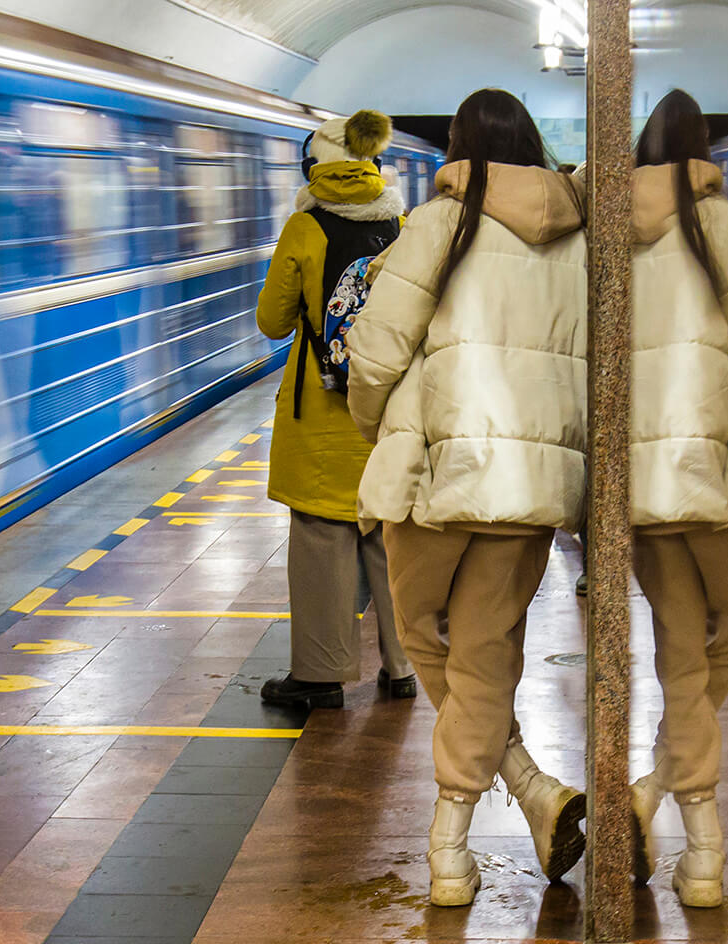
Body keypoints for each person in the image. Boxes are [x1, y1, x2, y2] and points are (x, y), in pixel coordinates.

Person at [346, 89, 588, 905]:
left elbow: (377, 350)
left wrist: (376, 422)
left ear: (457, 148)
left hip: (435, 471)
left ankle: (511, 794)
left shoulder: (437, 225)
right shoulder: (579, 242)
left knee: (420, 631)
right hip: (527, 487)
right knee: (486, 654)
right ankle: (466, 836)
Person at [599, 88, 728, 908]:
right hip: (727, 478)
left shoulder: (606, 239)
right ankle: (688, 835)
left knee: (680, 660)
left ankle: (689, 832)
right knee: (719, 654)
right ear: (706, 156)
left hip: (644, 487)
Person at [254, 109, 417, 709]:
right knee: (384, 531)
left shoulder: (306, 227)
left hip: (321, 412)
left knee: (323, 534)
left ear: (315, 166)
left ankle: (321, 676)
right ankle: (400, 666)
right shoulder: (400, 223)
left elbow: (273, 321)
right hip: (382, 408)